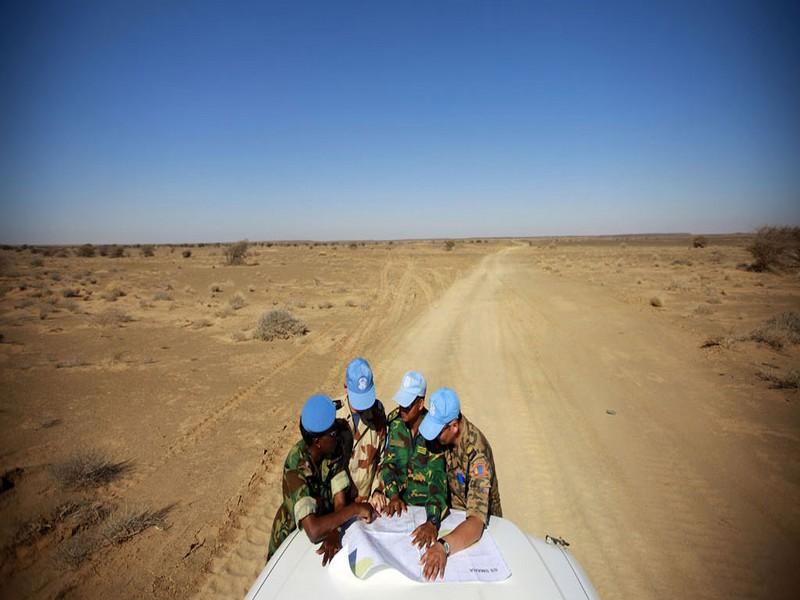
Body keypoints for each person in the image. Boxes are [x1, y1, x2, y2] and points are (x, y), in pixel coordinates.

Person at [267, 394, 375, 565]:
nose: (337, 435)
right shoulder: (296, 466)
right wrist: (355, 509)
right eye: (332, 432)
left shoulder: (332, 449)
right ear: (318, 442)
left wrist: (335, 529)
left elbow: (339, 500)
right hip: (291, 538)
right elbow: (314, 530)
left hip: (326, 523)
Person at [418, 387, 503, 580]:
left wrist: (443, 547)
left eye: (437, 430)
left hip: (478, 532)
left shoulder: (477, 455)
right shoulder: (445, 438)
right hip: (453, 519)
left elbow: (476, 522)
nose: (433, 437)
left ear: (454, 426)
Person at [373, 371, 447, 550]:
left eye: (407, 405)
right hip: (398, 512)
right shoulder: (395, 423)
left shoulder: (433, 432)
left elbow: (438, 479)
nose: (401, 409)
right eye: (401, 404)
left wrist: (433, 521)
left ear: (420, 404)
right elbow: (388, 463)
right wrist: (393, 495)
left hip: (424, 512)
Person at [335, 357, 387, 503]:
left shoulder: (378, 412)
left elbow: (383, 457)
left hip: (369, 502)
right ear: (345, 386)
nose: (363, 406)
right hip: (339, 505)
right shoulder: (334, 415)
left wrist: (378, 490)